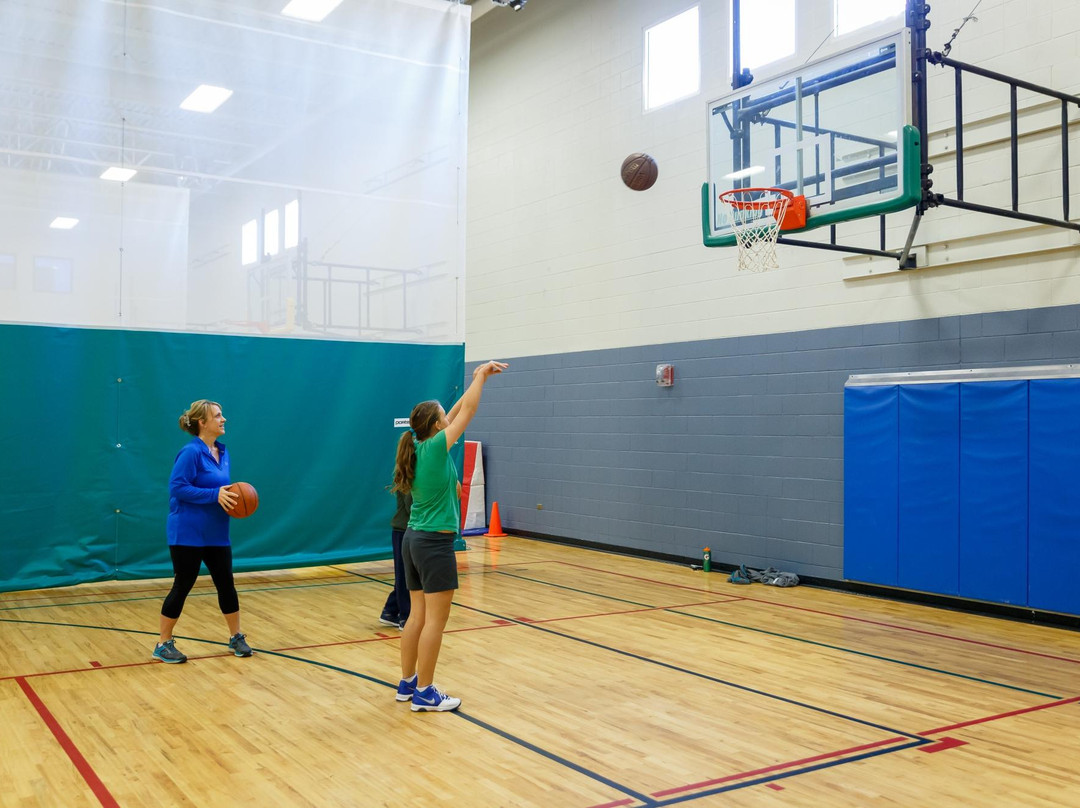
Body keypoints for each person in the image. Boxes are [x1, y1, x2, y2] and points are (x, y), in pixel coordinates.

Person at [393, 360, 507, 711]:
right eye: (444, 416)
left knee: (416, 616)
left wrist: (457, 399)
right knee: (435, 622)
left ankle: (408, 682)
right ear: (437, 426)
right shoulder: (435, 448)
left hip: (413, 540)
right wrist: (479, 377)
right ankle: (425, 692)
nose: (450, 417)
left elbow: (457, 410)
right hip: (433, 544)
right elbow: (468, 408)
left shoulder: (420, 446)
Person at [152, 399, 254, 663]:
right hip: (187, 531)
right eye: (218, 416)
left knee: (226, 583)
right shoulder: (190, 452)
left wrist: (230, 497)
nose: (224, 419)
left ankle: (236, 637)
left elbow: (221, 491)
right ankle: (163, 644)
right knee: (183, 584)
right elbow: (177, 488)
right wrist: (214, 494)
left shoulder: (223, 450)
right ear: (203, 422)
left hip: (217, 531)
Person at [378, 489, 412, 630]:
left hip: (409, 530)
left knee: (407, 575)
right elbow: (412, 506)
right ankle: (406, 616)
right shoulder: (409, 476)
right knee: (406, 575)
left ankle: (391, 610)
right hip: (404, 530)